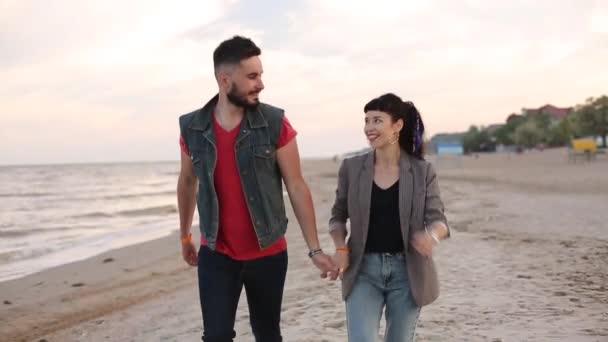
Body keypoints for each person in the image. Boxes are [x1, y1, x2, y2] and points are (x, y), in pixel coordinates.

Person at [177, 35, 336, 342]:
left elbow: (296, 185)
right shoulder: (193, 127)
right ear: (225, 80)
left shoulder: (275, 122)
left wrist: (314, 249)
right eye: (252, 76)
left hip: (268, 252)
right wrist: (185, 235)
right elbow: (187, 181)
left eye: (260, 75)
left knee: (267, 334)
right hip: (216, 253)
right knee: (217, 335)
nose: (260, 83)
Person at [328, 93, 450, 341]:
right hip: (363, 271)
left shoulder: (422, 171)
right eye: (366, 121)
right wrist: (340, 248)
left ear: (397, 126)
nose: (369, 128)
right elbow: (338, 216)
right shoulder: (351, 168)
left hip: (408, 273)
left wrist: (431, 237)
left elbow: (439, 221)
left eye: (377, 120)